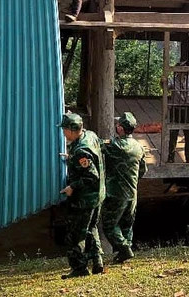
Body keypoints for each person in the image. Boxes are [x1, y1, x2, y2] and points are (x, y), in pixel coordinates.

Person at [60, 113, 106, 278]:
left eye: (65, 129)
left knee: (76, 233)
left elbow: (91, 176)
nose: (64, 133)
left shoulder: (81, 151)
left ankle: (79, 268)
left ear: (73, 130)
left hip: (86, 198)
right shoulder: (90, 135)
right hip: (98, 195)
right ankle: (98, 261)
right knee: (91, 228)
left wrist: (73, 186)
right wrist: (72, 157)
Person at [101, 112, 147, 264]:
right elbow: (142, 171)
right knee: (127, 225)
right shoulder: (139, 147)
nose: (116, 126)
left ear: (121, 128)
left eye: (118, 124)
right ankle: (124, 254)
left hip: (116, 193)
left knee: (109, 225)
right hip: (132, 193)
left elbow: (97, 145)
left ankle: (125, 249)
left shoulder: (114, 145)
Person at [168, 62, 189, 163]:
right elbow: (166, 86)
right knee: (173, 132)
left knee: (188, 133)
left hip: (187, 107)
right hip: (176, 107)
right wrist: (162, 82)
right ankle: (171, 157)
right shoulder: (173, 80)